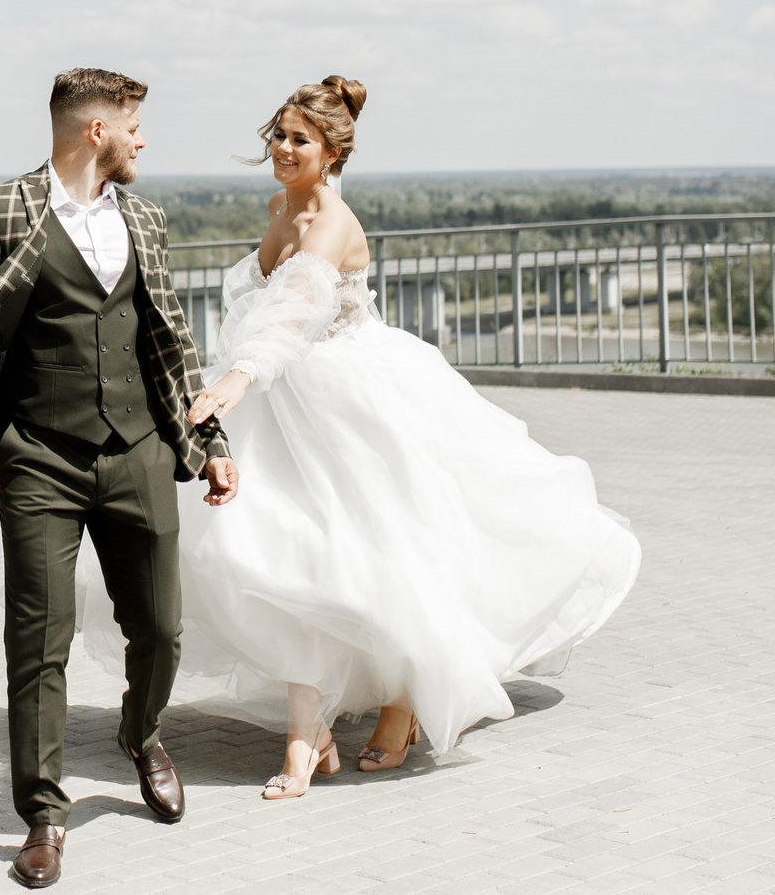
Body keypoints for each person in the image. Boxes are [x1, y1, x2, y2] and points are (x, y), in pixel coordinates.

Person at [164, 76, 640, 798]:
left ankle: (398, 703)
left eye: (299, 139)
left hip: (348, 398)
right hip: (285, 401)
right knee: (281, 556)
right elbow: (263, 306)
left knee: (383, 554)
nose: (283, 149)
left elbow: (294, 311)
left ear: (332, 152)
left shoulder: (333, 223)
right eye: (278, 135)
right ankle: (311, 730)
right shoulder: (280, 207)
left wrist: (238, 377)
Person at [0, 68, 240, 889]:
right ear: (96, 129)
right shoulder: (2, 208)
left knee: (161, 627)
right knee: (39, 637)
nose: (143, 140)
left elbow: (169, 340)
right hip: (41, 453)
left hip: (138, 449)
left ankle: (142, 734)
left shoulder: (146, 218)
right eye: (134, 125)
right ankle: (43, 814)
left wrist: (208, 438)